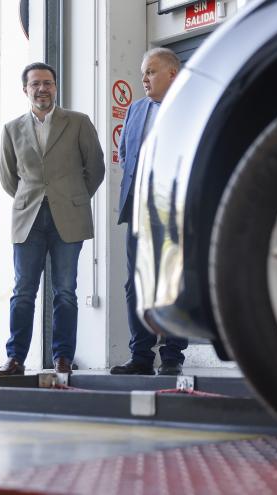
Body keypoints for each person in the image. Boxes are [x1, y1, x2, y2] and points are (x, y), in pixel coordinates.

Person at [0, 62, 105, 376]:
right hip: (28, 217)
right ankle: (15, 358)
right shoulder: (11, 129)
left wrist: (72, 197)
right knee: (23, 291)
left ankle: (63, 358)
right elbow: (7, 177)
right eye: (35, 84)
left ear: (55, 87)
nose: (42, 89)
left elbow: (95, 168)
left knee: (65, 291)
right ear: (25, 89)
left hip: (68, 216)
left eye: (48, 83)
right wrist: (33, 198)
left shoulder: (79, 122)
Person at [110, 48, 188, 376]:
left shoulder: (189, 106)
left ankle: (171, 356)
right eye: (143, 72)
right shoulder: (135, 109)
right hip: (139, 209)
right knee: (136, 284)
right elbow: (125, 154)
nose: (144, 78)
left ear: (172, 73)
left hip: (174, 208)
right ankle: (140, 356)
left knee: (172, 279)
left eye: (151, 71)